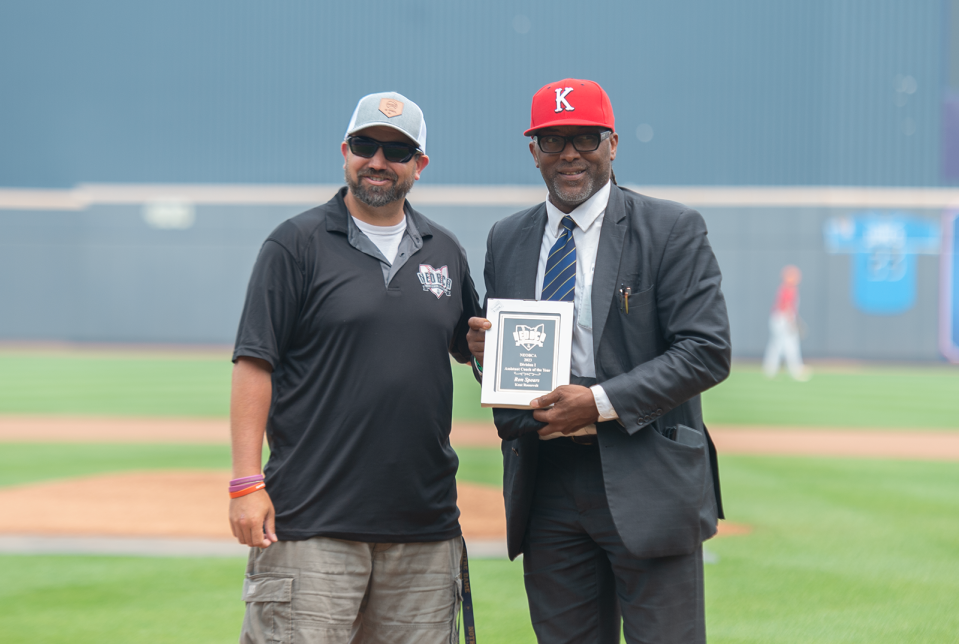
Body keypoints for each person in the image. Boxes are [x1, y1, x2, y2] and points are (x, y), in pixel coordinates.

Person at [466, 79, 731, 643]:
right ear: (532, 149)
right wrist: (485, 357)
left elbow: (706, 351)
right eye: (553, 139)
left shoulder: (670, 229)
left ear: (613, 144)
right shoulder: (507, 238)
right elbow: (513, 362)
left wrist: (599, 403)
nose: (569, 154)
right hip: (548, 484)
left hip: (648, 473)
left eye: (584, 138)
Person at [229, 91, 481, 644]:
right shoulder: (294, 244)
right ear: (345, 151)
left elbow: (475, 348)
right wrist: (247, 483)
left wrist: (495, 353)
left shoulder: (446, 251)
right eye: (366, 145)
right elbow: (254, 362)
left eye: (397, 150)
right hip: (314, 522)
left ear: (420, 165)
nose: (379, 161)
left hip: (423, 525)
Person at [762, 264, 810, 380]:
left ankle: (769, 369)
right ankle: (796, 370)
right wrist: (792, 322)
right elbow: (787, 307)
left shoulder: (784, 288)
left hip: (778, 319)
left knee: (776, 345)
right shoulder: (789, 289)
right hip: (783, 319)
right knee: (791, 344)